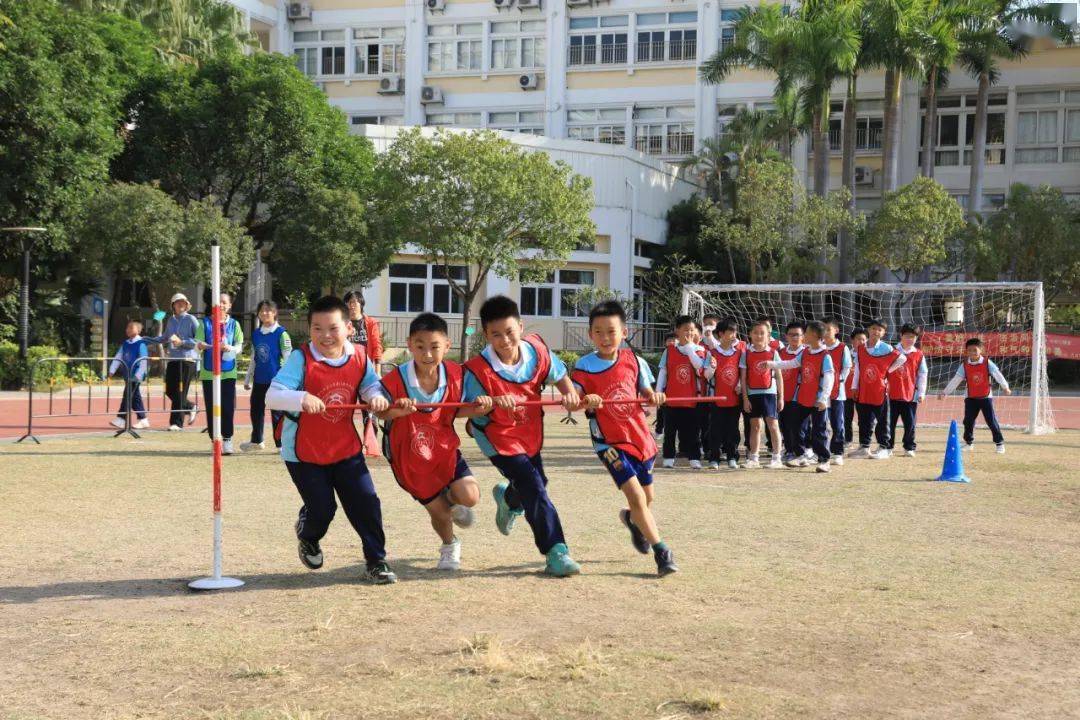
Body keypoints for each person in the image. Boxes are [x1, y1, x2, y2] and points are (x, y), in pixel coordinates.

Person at [266, 295, 396, 583]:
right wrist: (301, 398)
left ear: (349, 328)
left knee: (366, 502)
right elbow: (272, 396)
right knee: (323, 509)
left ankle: (377, 561)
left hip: (345, 448)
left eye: (333, 328)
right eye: (317, 328)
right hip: (303, 452)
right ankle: (308, 534)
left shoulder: (360, 356)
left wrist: (374, 398)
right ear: (309, 329)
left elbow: (371, 384)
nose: (325, 336)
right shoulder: (301, 358)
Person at [462, 295, 582, 577]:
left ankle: (509, 499)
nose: (504, 341)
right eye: (496, 335)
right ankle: (556, 551)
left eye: (509, 332)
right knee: (534, 485)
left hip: (529, 432)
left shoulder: (538, 352)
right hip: (497, 437)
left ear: (520, 326)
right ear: (486, 335)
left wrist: (570, 395)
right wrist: (486, 402)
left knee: (536, 483)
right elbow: (461, 410)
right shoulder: (477, 370)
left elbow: (560, 374)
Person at [571, 300, 677, 577]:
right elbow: (572, 400)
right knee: (636, 495)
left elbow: (645, 391)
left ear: (624, 332)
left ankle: (632, 520)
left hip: (640, 439)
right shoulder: (584, 365)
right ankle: (662, 552)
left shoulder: (634, 360)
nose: (605, 338)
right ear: (590, 334)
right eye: (598, 332)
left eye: (611, 331)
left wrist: (654, 396)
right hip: (609, 443)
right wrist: (584, 400)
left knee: (646, 499)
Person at [376, 312, 482, 571]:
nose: (427, 354)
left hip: (444, 451)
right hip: (409, 459)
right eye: (420, 347)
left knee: (470, 497)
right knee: (440, 512)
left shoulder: (457, 375)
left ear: (447, 345)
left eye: (434, 347)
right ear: (409, 344)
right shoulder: (394, 380)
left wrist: (481, 407)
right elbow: (380, 411)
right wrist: (396, 410)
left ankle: (452, 500)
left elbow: (461, 409)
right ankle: (449, 546)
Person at [769, 321, 835, 472]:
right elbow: (791, 363)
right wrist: (772, 364)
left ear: (814, 335)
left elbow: (829, 378)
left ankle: (824, 460)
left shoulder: (825, 356)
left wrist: (824, 398)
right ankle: (801, 456)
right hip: (804, 397)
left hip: (818, 400)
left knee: (819, 430)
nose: (803, 335)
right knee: (796, 426)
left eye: (806, 333)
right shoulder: (805, 353)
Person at [657, 315, 714, 469]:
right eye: (685, 330)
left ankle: (694, 457)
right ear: (677, 331)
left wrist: (689, 349)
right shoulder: (669, 351)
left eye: (691, 330)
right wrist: (657, 392)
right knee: (669, 431)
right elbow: (663, 372)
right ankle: (668, 457)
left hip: (692, 399)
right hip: (672, 398)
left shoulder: (700, 351)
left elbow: (699, 368)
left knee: (693, 432)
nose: (689, 333)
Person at [938, 337, 1012, 453]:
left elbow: (998, 375)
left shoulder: (987, 363)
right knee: (968, 421)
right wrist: (945, 392)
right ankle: (969, 443)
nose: (972, 353)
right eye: (969, 350)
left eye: (975, 350)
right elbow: (956, 380)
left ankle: (999, 444)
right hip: (970, 397)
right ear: (966, 351)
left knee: (991, 421)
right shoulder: (965, 365)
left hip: (985, 397)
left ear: (981, 350)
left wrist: (1005, 387)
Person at [195, 292, 244, 455]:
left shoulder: (234, 324)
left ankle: (228, 439)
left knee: (228, 407)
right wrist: (205, 346)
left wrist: (230, 348)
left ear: (229, 305)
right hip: (209, 373)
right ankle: (215, 439)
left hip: (228, 372)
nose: (221, 305)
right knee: (211, 407)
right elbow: (198, 343)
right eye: (219, 302)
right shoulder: (205, 323)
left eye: (224, 302)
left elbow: (239, 345)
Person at [850, 319, 907, 460]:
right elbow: (858, 367)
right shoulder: (861, 348)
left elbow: (902, 358)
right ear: (868, 330)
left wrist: (887, 371)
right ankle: (864, 446)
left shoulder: (886, 348)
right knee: (864, 419)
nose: (876, 331)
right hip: (864, 390)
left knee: (882, 420)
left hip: (880, 390)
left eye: (879, 330)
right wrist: (854, 386)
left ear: (883, 333)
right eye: (874, 328)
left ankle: (885, 447)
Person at [242, 300, 292, 452]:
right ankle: (257, 440)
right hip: (259, 380)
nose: (265, 313)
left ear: (275, 313)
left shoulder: (281, 333)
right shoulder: (256, 334)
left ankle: (280, 444)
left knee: (277, 413)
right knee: (256, 410)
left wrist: (289, 381)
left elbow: (288, 358)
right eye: (262, 310)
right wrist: (247, 378)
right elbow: (253, 357)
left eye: (268, 310)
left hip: (277, 381)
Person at [740, 319, 785, 469]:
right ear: (750, 335)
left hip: (769, 394)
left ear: (768, 335)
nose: (759, 336)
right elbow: (743, 378)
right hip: (753, 394)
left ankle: (777, 457)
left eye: (762, 333)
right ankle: (754, 457)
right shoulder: (746, 354)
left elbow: (778, 376)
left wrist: (781, 397)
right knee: (755, 426)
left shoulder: (773, 353)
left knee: (773, 425)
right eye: (756, 333)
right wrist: (745, 399)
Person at [151, 293, 199, 431]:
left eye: (183, 302)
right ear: (173, 306)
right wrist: (148, 339)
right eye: (178, 303)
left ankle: (176, 423)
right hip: (173, 359)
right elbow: (165, 337)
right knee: (169, 390)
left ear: (187, 305)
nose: (181, 305)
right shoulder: (171, 321)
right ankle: (190, 407)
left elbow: (199, 340)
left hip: (187, 360)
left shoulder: (191, 319)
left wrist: (182, 342)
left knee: (180, 391)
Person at [702, 317, 743, 470]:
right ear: (720, 334)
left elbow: (741, 373)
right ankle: (714, 458)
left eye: (735, 332)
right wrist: (712, 367)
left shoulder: (739, 352)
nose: (733, 336)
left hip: (734, 398)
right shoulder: (712, 353)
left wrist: (739, 385)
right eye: (730, 332)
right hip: (716, 398)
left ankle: (732, 457)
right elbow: (706, 375)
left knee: (732, 428)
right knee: (716, 429)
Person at [887, 323, 927, 457]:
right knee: (889, 423)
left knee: (910, 423)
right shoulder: (892, 351)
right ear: (901, 336)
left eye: (913, 337)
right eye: (907, 336)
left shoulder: (919, 354)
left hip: (910, 395)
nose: (910, 339)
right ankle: (887, 446)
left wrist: (921, 393)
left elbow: (923, 374)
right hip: (891, 395)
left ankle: (909, 447)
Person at [108, 319, 150, 430]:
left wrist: (139, 375)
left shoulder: (141, 344)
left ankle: (121, 419)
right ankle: (143, 419)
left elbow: (144, 360)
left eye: (131, 327)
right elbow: (118, 357)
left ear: (138, 330)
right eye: (127, 327)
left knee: (127, 395)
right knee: (135, 397)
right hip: (127, 374)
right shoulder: (125, 343)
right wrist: (112, 369)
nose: (128, 329)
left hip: (135, 376)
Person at [822, 319, 851, 466]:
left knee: (837, 423)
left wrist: (839, 381)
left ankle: (838, 452)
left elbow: (847, 367)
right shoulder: (818, 347)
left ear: (836, 330)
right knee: (821, 423)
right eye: (823, 329)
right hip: (821, 393)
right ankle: (821, 451)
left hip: (837, 393)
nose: (825, 332)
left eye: (828, 329)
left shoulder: (842, 347)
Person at [777, 321, 806, 461]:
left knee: (798, 425)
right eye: (791, 335)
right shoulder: (781, 352)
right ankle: (789, 450)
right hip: (783, 393)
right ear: (786, 336)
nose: (794, 338)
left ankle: (802, 451)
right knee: (784, 423)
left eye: (797, 335)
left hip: (800, 394)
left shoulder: (807, 352)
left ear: (803, 337)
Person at [844, 328, 868, 448]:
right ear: (852, 340)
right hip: (847, 391)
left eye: (864, 339)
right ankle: (847, 440)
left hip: (862, 392)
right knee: (846, 417)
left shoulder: (869, 355)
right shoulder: (846, 353)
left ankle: (863, 443)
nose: (862, 342)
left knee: (863, 418)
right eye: (859, 339)